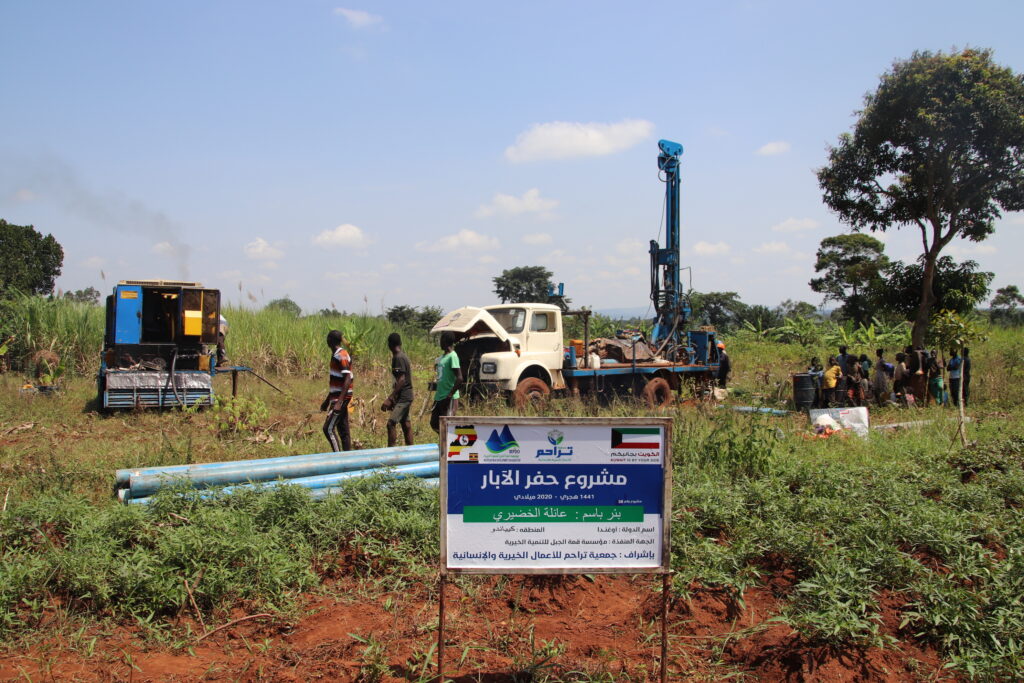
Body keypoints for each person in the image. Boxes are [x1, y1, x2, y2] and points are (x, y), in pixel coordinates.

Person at [321, 329, 353, 452]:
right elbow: (337, 382)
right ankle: (347, 458)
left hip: (341, 398)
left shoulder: (342, 355)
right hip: (337, 397)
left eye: (327, 339)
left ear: (330, 340)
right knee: (343, 430)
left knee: (328, 429)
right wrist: (326, 401)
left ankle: (338, 457)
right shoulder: (336, 355)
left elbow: (347, 379)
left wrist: (339, 402)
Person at [381, 332, 415, 447]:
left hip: (404, 397)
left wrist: (390, 398)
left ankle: (391, 454)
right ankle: (411, 451)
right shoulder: (401, 356)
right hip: (403, 396)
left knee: (391, 423)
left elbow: (401, 380)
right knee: (405, 424)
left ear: (389, 344)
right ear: (400, 343)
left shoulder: (398, 358)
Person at [430, 331, 464, 433]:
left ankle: (448, 445)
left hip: (448, 398)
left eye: (441, 340)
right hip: (439, 396)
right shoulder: (442, 358)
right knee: (434, 423)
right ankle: (445, 443)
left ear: (445, 341)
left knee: (447, 425)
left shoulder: (452, 356)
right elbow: (442, 377)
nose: (439, 342)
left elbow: (459, 378)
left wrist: (449, 395)